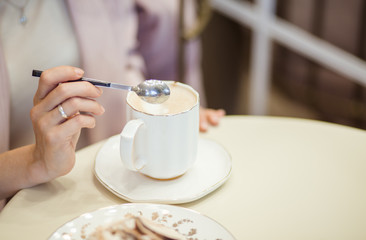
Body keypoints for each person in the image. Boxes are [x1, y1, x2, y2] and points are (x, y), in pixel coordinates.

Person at [0, 0, 225, 209]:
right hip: (25, 205)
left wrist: (171, 120)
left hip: (109, 182)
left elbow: (132, 57)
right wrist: (34, 161)